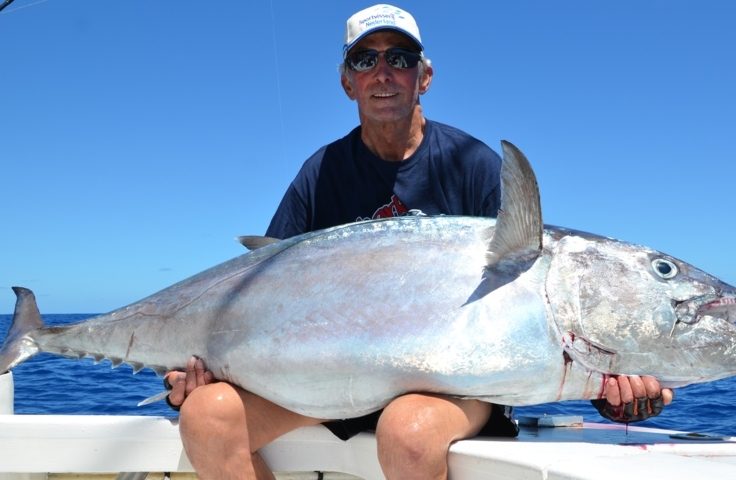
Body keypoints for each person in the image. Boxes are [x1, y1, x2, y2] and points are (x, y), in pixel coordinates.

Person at [164, 4, 674, 479]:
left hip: (451, 384)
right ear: (347, 82)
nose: (382, 73)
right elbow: (262, 292)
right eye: (366, 59)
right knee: (207, 417)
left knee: (408, 430)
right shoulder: (320, 174)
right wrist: (198, 365)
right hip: (333, 384)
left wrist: (610, 385)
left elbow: (533, 311)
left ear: (424, 76)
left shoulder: (473, 167)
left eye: (400, 58)